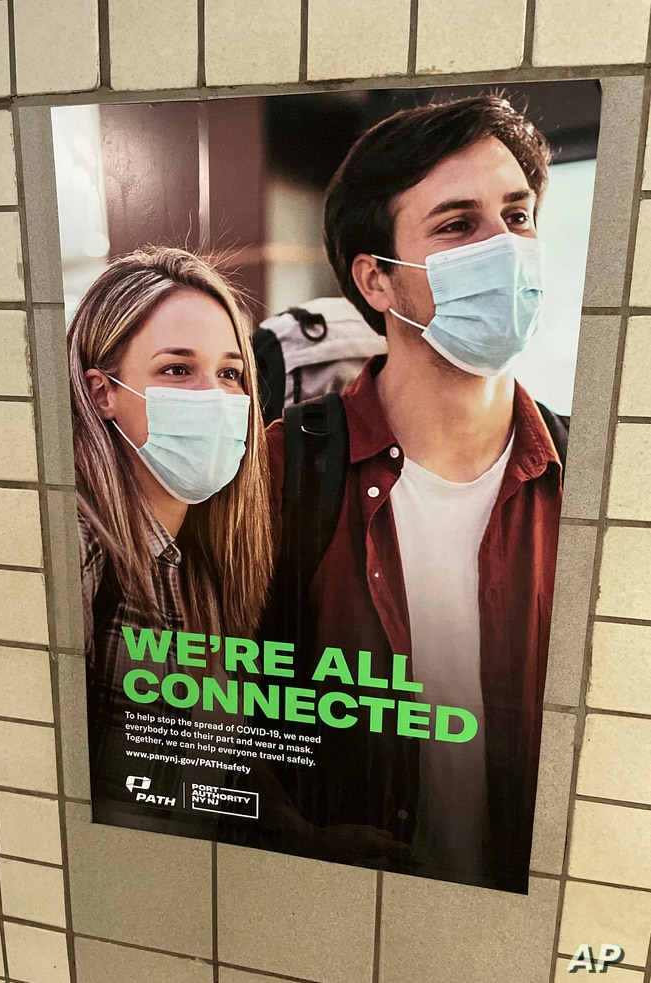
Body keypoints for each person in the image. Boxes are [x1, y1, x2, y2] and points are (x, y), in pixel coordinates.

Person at [261, 96, 564, 892]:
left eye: (517, 216)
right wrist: (286, 831)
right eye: (457, 225)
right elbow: (194, 704)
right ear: (377, 280)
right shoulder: (282, 472)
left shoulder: (588, 475)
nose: (504, 248)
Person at [68, 246, 273, 833]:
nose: (215, 396)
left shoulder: (210, 561)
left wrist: (299, 833)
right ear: (103, 392)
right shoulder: (78, 545)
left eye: (230, 374)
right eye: (177, 370)